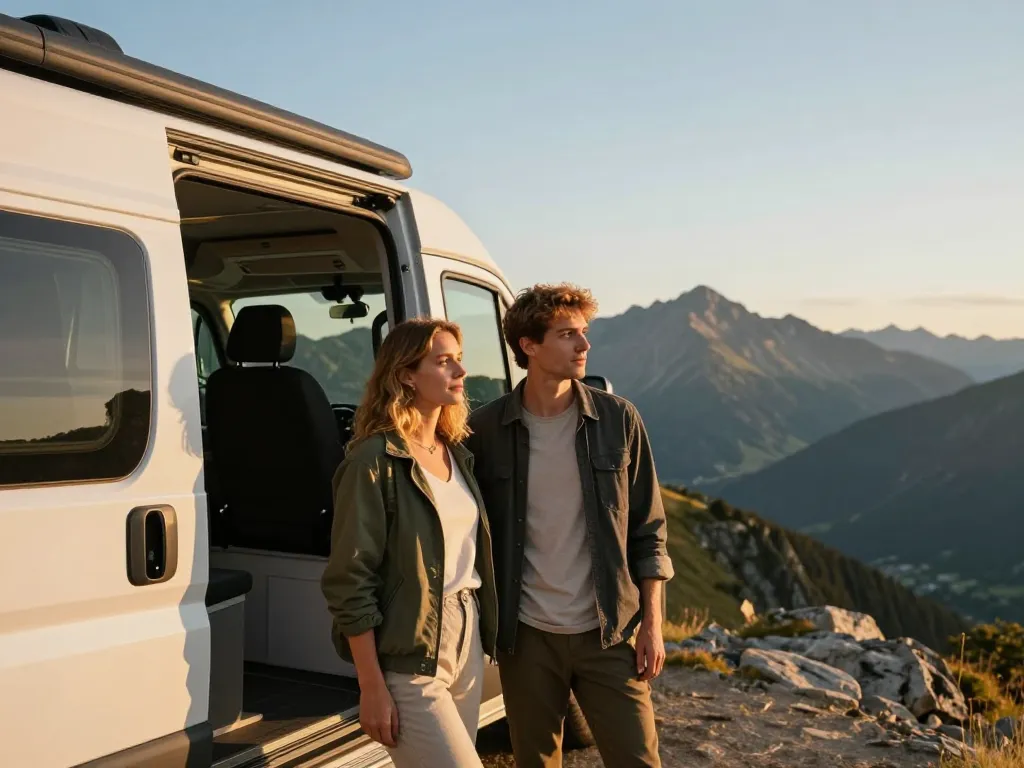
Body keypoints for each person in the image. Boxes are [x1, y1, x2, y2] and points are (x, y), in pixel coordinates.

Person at [465, 283, 674, 768]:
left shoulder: (618, 419)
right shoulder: (485, 431)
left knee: (638, 759)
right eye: (567, 335)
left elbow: (650, 530)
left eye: (584, 333)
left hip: (610, 632)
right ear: (529, 346)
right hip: (527, 637)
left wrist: (653, 627)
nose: (584, 345)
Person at [321, 318, 498, 768]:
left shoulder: (455, 452)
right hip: (410, 651)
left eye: (459, 359)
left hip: (467, 633)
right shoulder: (372, 461)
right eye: (443, 361)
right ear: (405, 374)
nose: (459, 371)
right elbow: (349, 579)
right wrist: (371, 685)